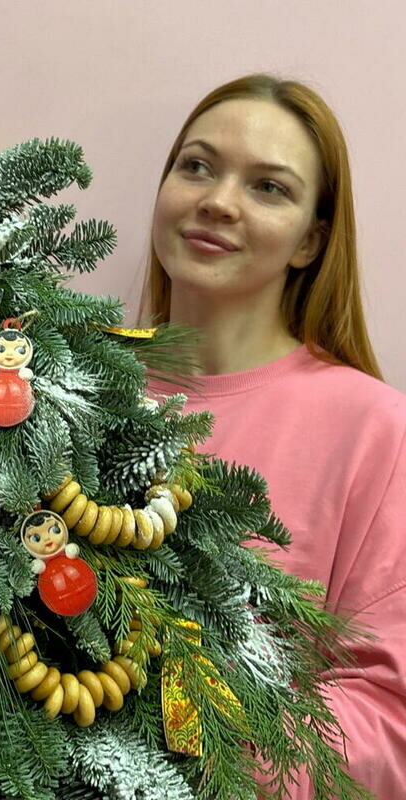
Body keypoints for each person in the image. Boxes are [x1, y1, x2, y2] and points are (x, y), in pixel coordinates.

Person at [139, 74, 406, 798]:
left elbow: (390, 717)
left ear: (309, 241)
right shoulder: (62, 389)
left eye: (268, 187)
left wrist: (180, 742)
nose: (218, 201)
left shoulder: (375, 429)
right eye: (197, 166)